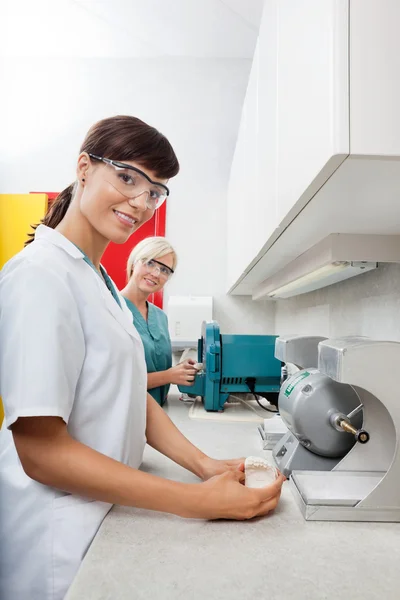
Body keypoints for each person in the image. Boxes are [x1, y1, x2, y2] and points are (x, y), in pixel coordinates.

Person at [0, 115, 284, 600]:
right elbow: (41, 451)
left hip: (106, 511)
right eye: (128, 177)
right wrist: (195, 502)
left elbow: (129, 392)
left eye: (156, 191)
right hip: (57, 535)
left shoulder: (98, 280)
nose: (141, 201)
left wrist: (203, 464)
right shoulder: (40, 276)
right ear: (84, 168)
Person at [121, 236, 197, 406]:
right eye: (149, 263)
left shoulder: (160, 317)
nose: (156, 273)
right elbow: (113, 381)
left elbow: (157, 366)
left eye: (164, 270)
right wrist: (169, 376)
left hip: (158, 411)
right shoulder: (112, 309)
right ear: (134, 263)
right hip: (125, 415)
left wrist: (179, 371)